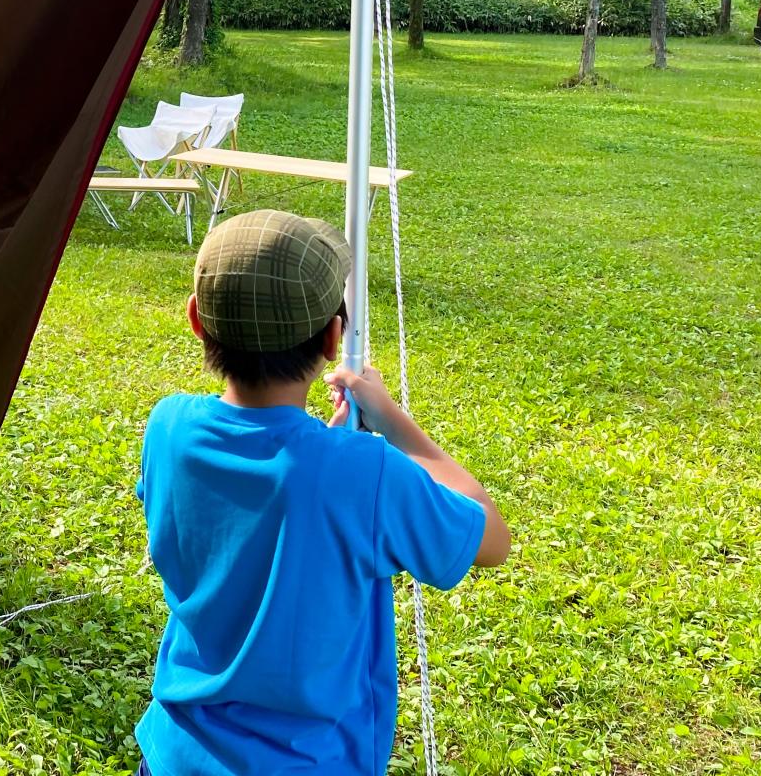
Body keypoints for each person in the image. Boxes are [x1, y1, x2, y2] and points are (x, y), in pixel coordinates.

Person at [135, 209, 511, 776]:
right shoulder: (363, 471)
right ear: (336, 337)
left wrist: (330, 449)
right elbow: (491, 539)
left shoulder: (168, 428)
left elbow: (254, 508)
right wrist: (391, 420)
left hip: (174, 757)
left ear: (197, 321)